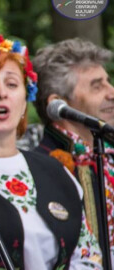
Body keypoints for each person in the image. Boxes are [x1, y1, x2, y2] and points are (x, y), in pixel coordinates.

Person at [0, 34, 102, 269]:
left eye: (12, 84)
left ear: (25, 100)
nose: (1, 93)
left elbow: (89, 257)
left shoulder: (55, 170)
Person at [33, 38, 114, 268]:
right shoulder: (41, 167)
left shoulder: (109, 156)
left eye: (108, 82)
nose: (112, 92)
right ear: (58, 105)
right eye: (97, 86)